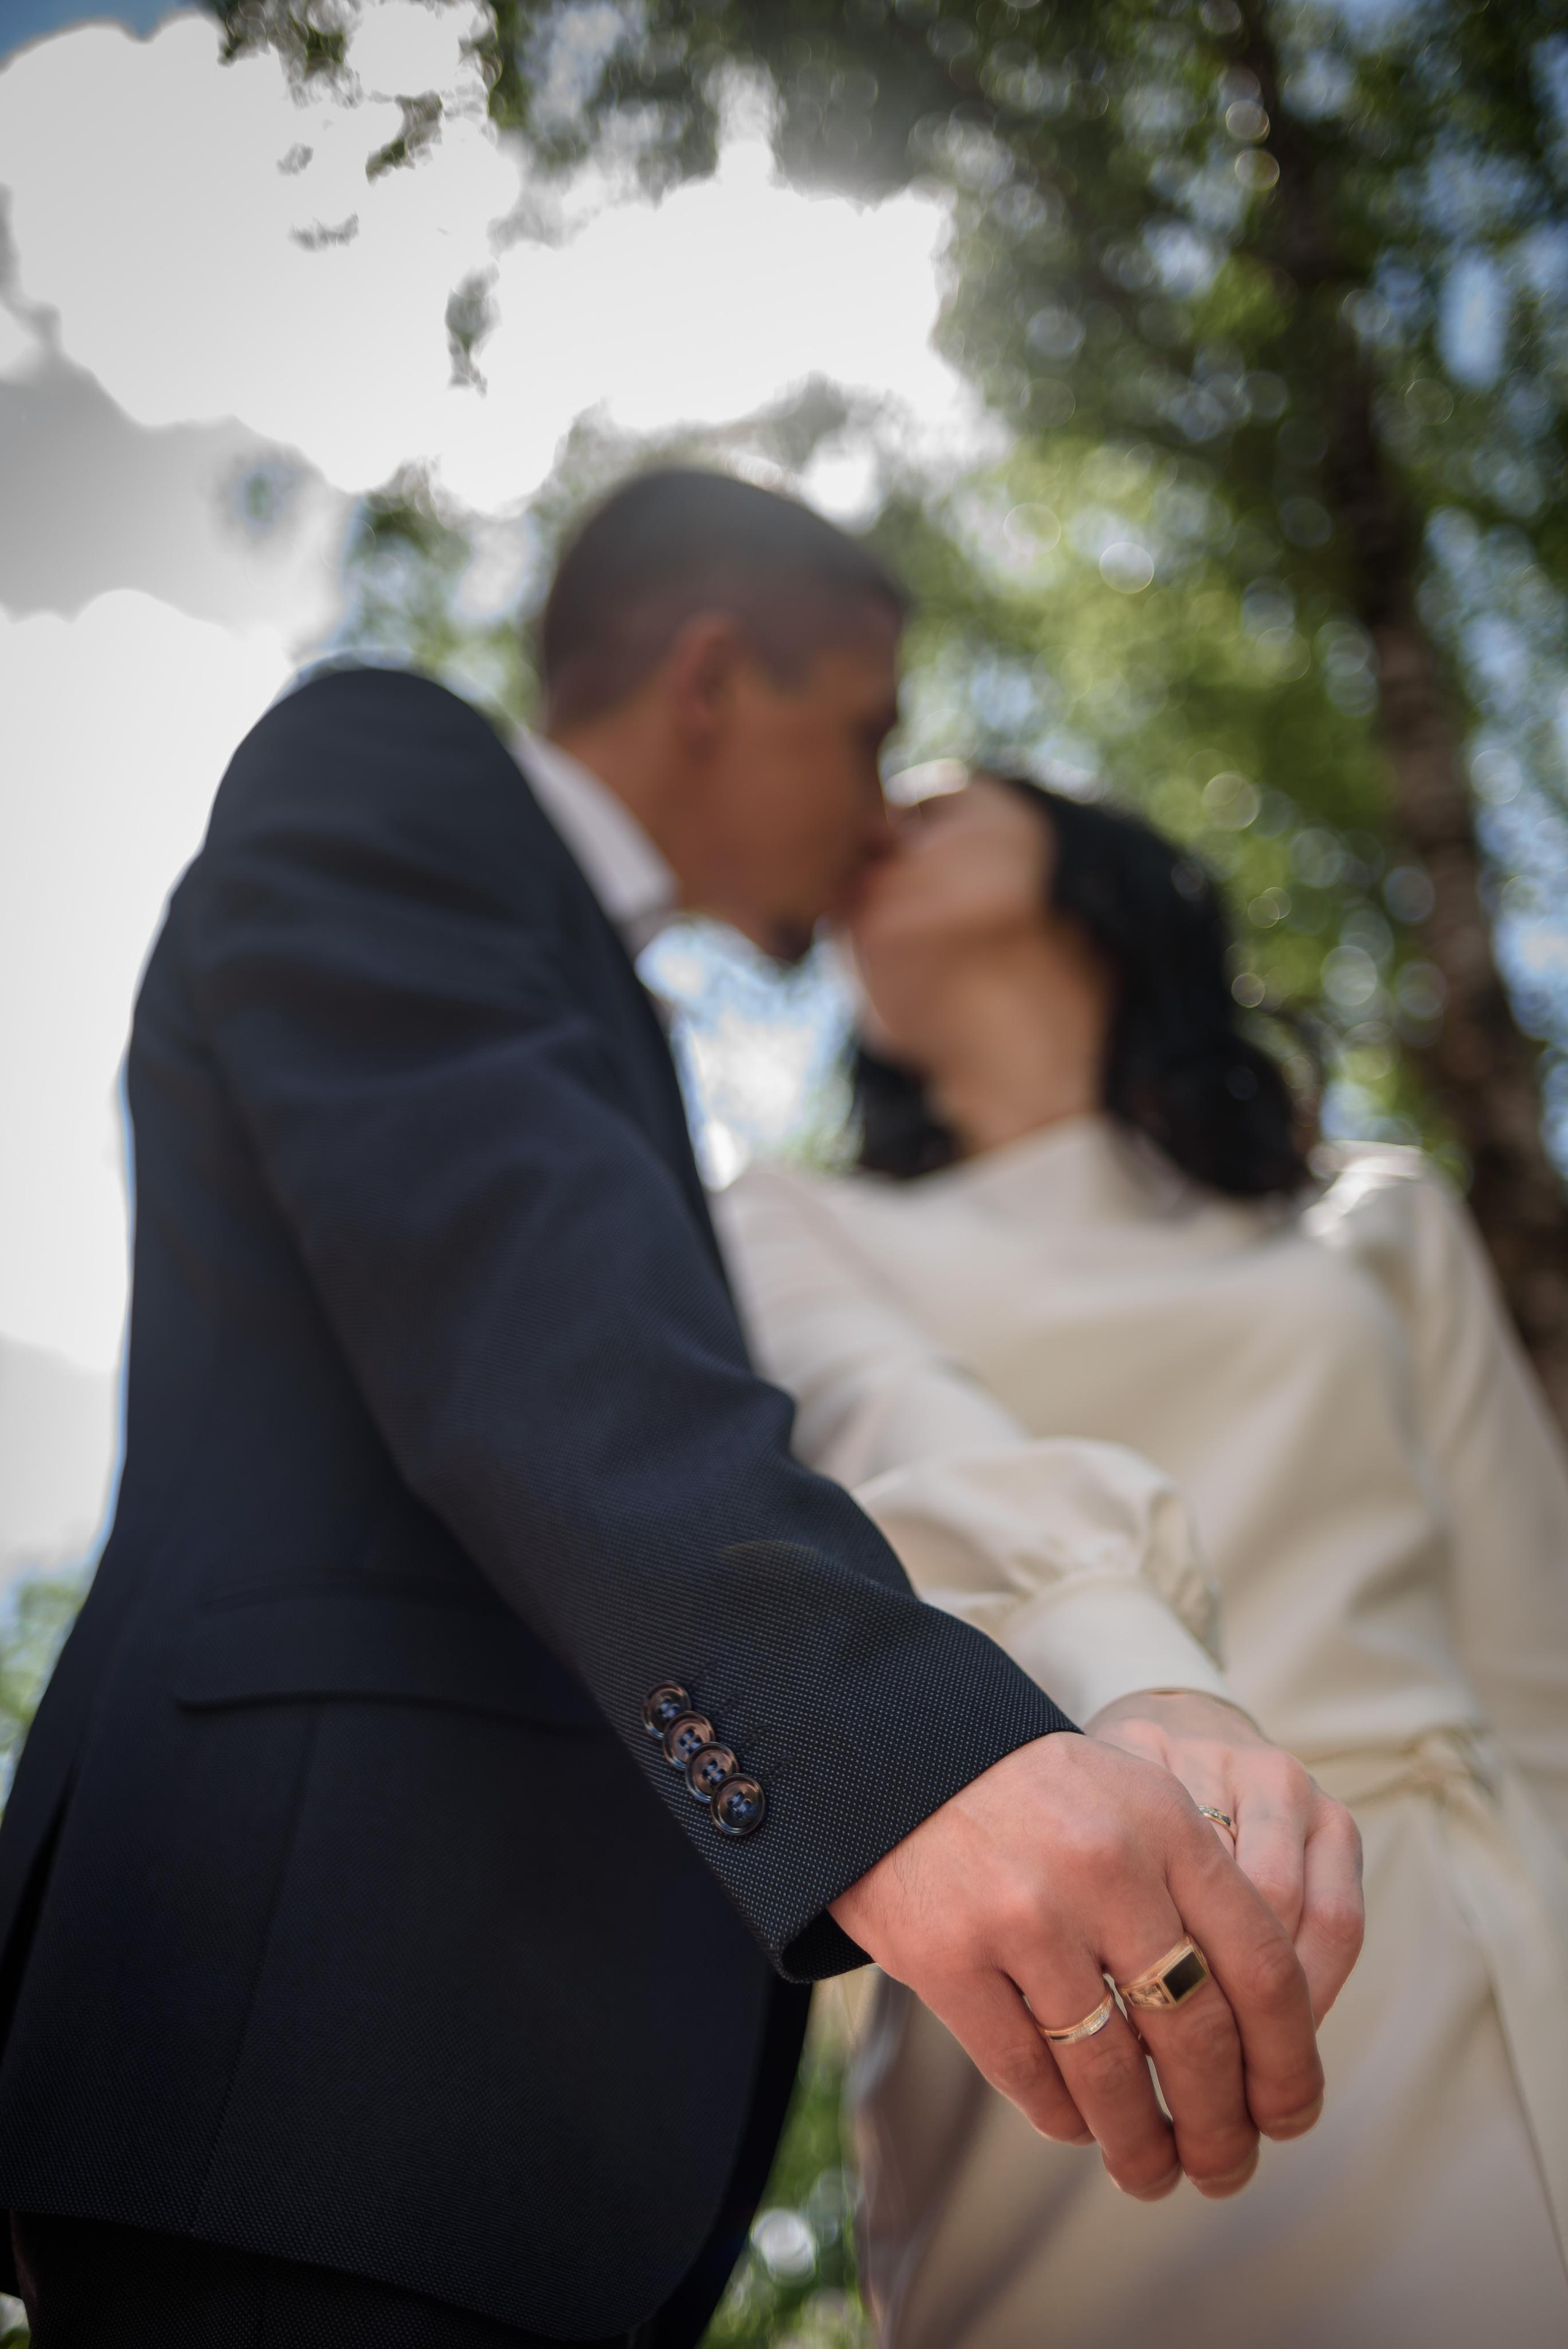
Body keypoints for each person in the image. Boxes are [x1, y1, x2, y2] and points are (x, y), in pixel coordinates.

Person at [0, 478, 1359, 2349]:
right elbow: (512, 1276)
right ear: (716, 676)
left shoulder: (618, 1012)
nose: (879, 805)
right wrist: (904, 1748)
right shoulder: (391, 762)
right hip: (314, 2048)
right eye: (866, 730)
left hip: (522, 2146)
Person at [717, 765, 1568, 2349]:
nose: (879, 809)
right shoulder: (789, 1220)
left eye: (941, 786)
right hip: (1080, 2021)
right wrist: (1146, 1683)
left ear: (1103, 865)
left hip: (1488, 1971)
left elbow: (1540, 1666)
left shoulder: (1372, 1212)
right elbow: (904, 1429)